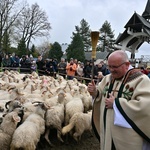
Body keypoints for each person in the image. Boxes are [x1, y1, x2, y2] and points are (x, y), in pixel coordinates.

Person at [87, 50, 150, 150]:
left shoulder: (141, 80)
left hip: (127, 137)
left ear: (127, 64)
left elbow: (145, 107)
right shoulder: (107, 78)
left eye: (115, 67)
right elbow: (100, 94)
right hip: (107, 130)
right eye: (109, 66)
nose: (111, 70)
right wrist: (95, 92)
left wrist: (116, 103)